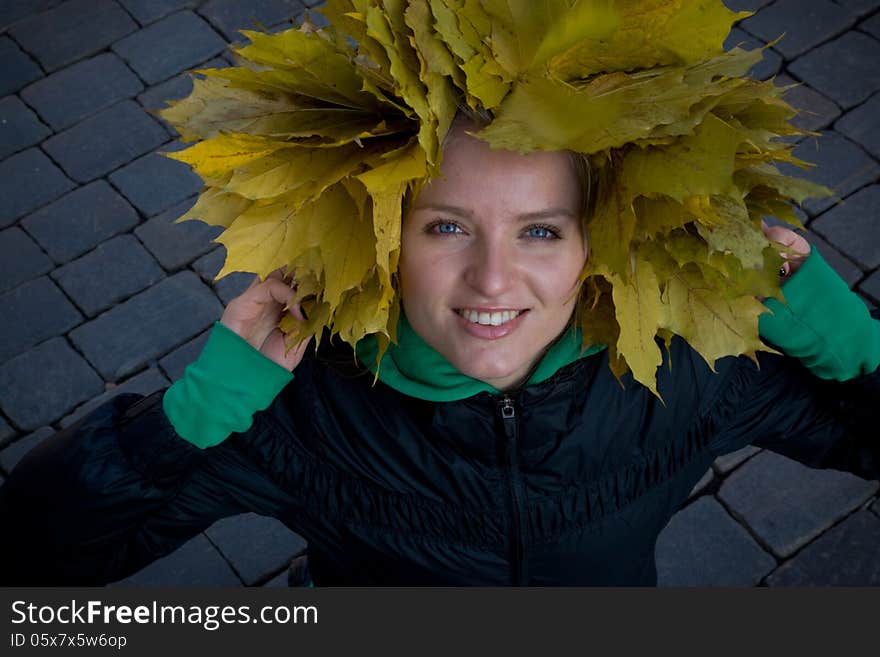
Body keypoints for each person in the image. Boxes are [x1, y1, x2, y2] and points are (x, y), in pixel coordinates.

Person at [1, 1, 879, 585]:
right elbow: (42, 558)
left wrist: (850, 343)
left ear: (597, 242)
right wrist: (184, 419)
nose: (493, 281)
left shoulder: (689, 368)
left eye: (540, 229)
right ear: (385, 242)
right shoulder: (303, 414)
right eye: (446, 226)